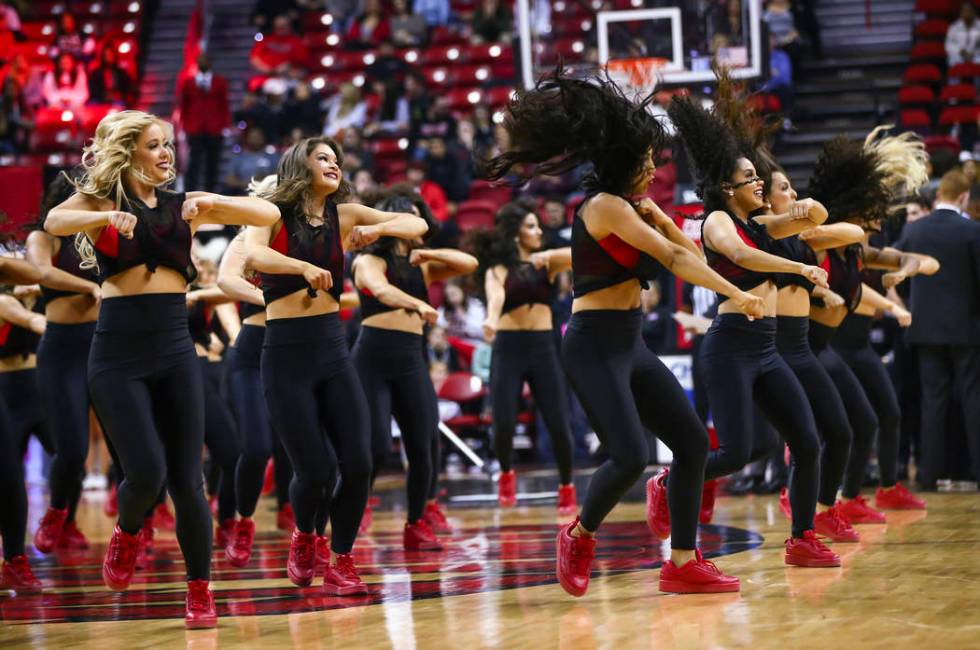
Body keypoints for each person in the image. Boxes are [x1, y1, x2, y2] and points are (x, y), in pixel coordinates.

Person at [483, 68, 767, 597]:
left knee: (688, 441)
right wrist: (738, 294)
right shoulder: (605, 206)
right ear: (623, 163)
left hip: (629, 342)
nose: (653, 172)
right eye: (646, 163)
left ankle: (682, 561)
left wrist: (675, 224)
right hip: (592, 343)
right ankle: (578, 533)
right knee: (631, 453)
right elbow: (673, 257)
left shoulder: (637, 205)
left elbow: (687, 249)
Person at [44, 110, 281, 628]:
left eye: (169, 144)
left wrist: (215, 203)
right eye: (155, 145)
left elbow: (265, 216)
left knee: (187, 481)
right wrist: (102, 218)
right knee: (145, 473)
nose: (167, 153)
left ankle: (200, 589)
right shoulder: (104, 201)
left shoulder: (182, 205)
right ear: (129, 152)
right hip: (117, 353)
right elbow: (54, 221)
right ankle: (128, 532)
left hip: (175, 348)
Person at [244, 136, 427, 594]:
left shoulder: (344, 214)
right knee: (316, 471)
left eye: (336, 159)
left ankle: (341, 558)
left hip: (333, 350)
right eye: (321, 157)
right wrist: (300, 268)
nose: (333, 165)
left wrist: (378, 231)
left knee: (361, 462)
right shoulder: (270, 212)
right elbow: (254, 255)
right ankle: (306, 535)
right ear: (298, 165)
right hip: (285, 354)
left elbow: (414, 222)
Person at [667, 93, 841, 568]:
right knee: (735, 453)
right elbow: (741, 257)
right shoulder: (718, 220)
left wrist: (800, 211)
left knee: (806, 441)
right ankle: (668, 483)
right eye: (751, 179)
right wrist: (800, 269)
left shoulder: (761, 221)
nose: (760, 184)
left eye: (761, 178)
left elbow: (815, 217)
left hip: (767, 348)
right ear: (726, 187)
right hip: (729, 346)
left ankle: (802, 538)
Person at [803, 131, 933, 523]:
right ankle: (817, 506)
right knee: (823, 434)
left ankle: (840, 503)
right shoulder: (820, 244)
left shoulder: (858, 250)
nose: (879, 218)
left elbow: (920, 261)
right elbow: (814, 233)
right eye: (872, 208)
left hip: (826, 349)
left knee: (865, 422)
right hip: (804, 347)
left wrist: (900, 275)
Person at [352, 190, 476, 547]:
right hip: (372, 357)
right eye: (407, 214)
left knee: (424, 443)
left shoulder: (422, 263)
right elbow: (380, 290)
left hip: (411, 356)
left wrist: (430, 253)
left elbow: (468, 265)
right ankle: (357, 507)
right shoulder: (368, 260)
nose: (415, 220)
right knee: (375, 447)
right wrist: (417, 305)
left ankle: (416, 523)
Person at [475, 201, 576, 511]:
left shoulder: (546, 263)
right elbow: (496, 296)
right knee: (503, 422)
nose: (539, 231)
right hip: (508, 346)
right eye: (531, 226)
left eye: (538, 226)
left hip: (544, 346)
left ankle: (566, 485)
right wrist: (491, 319)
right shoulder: (498, 268)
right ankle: (506, 472)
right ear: (516, 234)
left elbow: (579, 256)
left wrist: (550, 255)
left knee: (558, 420)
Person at [27, 170, 102, 556]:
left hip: (103, 347)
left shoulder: (98, 235)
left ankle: (130, 529)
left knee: (124, 446)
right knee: (71, 447)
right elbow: (41, 271)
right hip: (61, 350)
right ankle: (59, 513)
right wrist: (89, 285)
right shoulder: (45, 234)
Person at [893, 169, 980, 491]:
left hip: (924, 330)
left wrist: (904, 305)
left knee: (932, 401)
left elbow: (893, 268)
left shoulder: (915, 231)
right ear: (963, 196)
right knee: (972, 399)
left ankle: (928, 475)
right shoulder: (972, 231)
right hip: (966, 329)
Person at [0, 255, 49, 594]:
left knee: (10, 475)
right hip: (11, 387)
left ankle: (15, 559)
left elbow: (37, 271)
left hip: (27, 389)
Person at [179, 53, 230, 194]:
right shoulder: (188, 82)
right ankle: (189, 191)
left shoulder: (220, 82)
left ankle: (211, 191)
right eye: (201, 60)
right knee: (193, 162)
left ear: (211, 63)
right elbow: (184, 106)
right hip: (194, 128)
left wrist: (225, 126)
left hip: (214, 128)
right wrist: (184, 126)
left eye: (206, 60)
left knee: (213, 162)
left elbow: (224, 105)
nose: (203, 63)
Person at [224, 128, 280, 195]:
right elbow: (229, 180)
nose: (255, 140)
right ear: (247, 138)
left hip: (266, 193)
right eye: (252, 137)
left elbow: (277, 178)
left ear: (263, 138)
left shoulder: (273, 157)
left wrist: (262, 185)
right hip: (242, 193)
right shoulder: (239, 157)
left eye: (257, 137)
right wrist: (247, 184)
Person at [946, 1, 980, 67]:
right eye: (964, 11)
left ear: (974, 12)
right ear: (960, 13)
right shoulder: (954, 27)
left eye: (969, 11)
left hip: (976, 56)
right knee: (952, 60)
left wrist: (974, 53)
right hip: (959, 56)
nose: (967, 13)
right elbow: (948, 45)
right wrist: (960, 51)